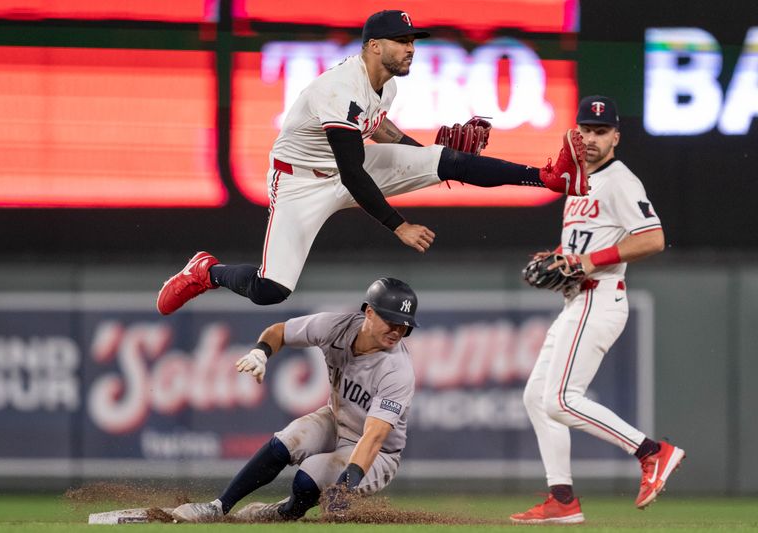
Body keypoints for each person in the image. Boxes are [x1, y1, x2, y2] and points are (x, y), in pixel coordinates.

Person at [156, 9, 588, 315]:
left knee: (448, 161)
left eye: (412, 41)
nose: (410, 49)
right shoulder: (339, 86)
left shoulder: (387, 87)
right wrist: (399, 225)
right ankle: (206, 272)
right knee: (271, 290)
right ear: (373, 46)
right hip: (300, 183)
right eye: (401, 41)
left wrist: (423, 156)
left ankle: (547, 177)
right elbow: (351, 171)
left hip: (351, 167)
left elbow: (379, 129)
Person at [510, 95, 685, 525]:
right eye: (585, 129)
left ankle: (652, 453)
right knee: (537, 398)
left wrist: (584, 263)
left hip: (600, 295)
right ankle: (562, 499)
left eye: (600, 131)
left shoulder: (619, 180)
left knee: (561, 400)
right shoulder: (578, 180)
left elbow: (653, 238)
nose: (590, 138)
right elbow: (580, 247)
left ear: (616, 138)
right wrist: (558, 257)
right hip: (578, 299)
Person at [170, 277, 420, 523]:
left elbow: (374, 436)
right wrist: (261, 352)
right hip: (336, 420)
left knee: (307, 478)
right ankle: (217, 507)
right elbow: (279, 332)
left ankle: (285, 512)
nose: (397, 330)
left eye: (405, 325)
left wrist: (345, 486)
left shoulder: (397, 369)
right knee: (286, 441)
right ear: (369, 312)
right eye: (391, 320)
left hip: (379, 454)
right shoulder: (336, 327)